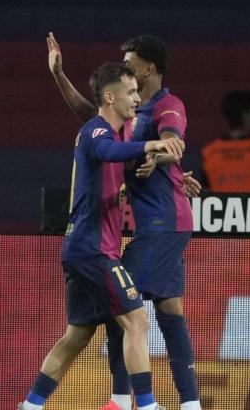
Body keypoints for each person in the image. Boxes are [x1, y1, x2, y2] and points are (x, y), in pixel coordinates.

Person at [47, 33, 202, 410]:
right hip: (158, 224)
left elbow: (172, 142)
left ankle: (120, 400)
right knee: (168, 309)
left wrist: (163, 159)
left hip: (165, 223)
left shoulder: (169, 106)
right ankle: (191, 403)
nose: (124, 68)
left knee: (122, 305)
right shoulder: (130, 114)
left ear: (148, 68)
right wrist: (59, 75)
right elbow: (93, 116)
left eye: (130, 63)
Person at [19, 62, 184, 410]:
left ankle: (31, 406)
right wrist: (151, 144)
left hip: (81, 250)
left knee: (77, 335)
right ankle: (148, 406)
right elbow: (107, 151)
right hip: (94, 251)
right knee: (137, 321)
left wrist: (59, 76)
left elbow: (90, 112)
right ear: (111, 98)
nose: (138, 98)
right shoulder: (97, 133)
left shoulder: (117, 129)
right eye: (131, 92)